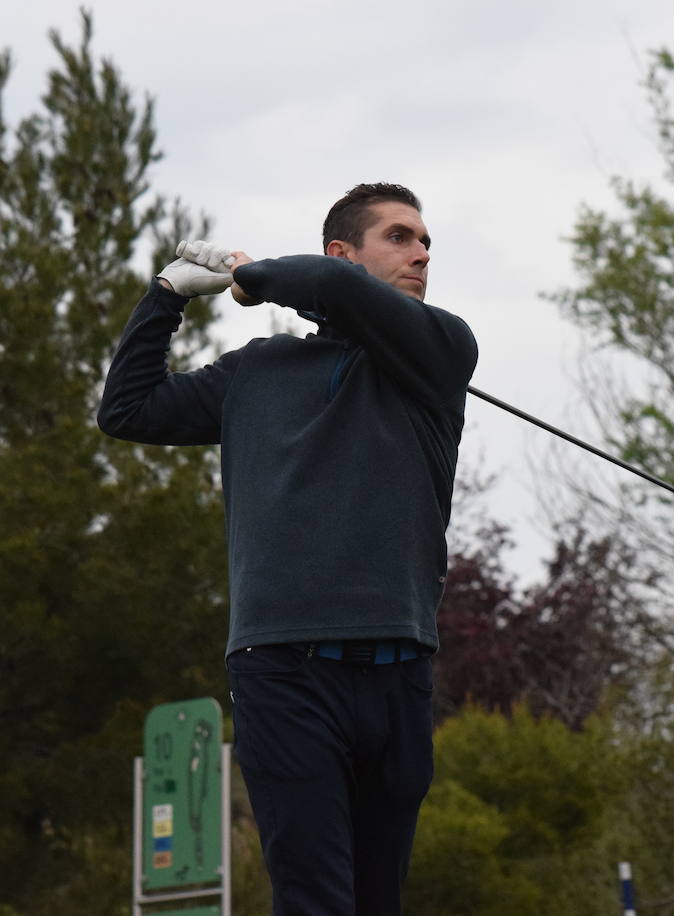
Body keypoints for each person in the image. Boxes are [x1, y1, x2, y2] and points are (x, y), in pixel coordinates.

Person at [98, 183, 478, 914]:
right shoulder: (255, 372)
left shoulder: (440, 356)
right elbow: (127, 408)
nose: (422, 253)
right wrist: (168, 295)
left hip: (399, 673)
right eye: (399, 237)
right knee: (314, 900)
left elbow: (333, 290)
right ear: (344, 249)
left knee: (375, 902)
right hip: (285, 672)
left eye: (426, 242)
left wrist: (253, 274)